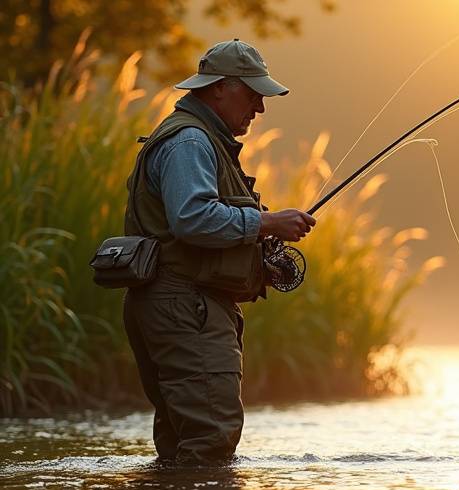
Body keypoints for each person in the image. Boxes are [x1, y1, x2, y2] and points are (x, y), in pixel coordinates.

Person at [122, 39, 315, 465]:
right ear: (219, 88)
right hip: (184, 305)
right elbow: (192, 219)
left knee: (181, 440)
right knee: (210, 439)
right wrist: (268, 222)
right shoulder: (190, 141)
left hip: (178, 303)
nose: (259, 109)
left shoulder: (196, 138)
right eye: (252, 95)